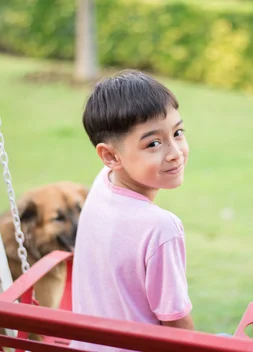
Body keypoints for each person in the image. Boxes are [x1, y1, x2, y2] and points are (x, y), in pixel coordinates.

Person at [70, 70, 193, 351]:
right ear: (111, 156)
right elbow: (179, 329)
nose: (175, 152)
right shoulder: (161, 228)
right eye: (153, 143)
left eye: (178, 133)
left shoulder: (103, 182)